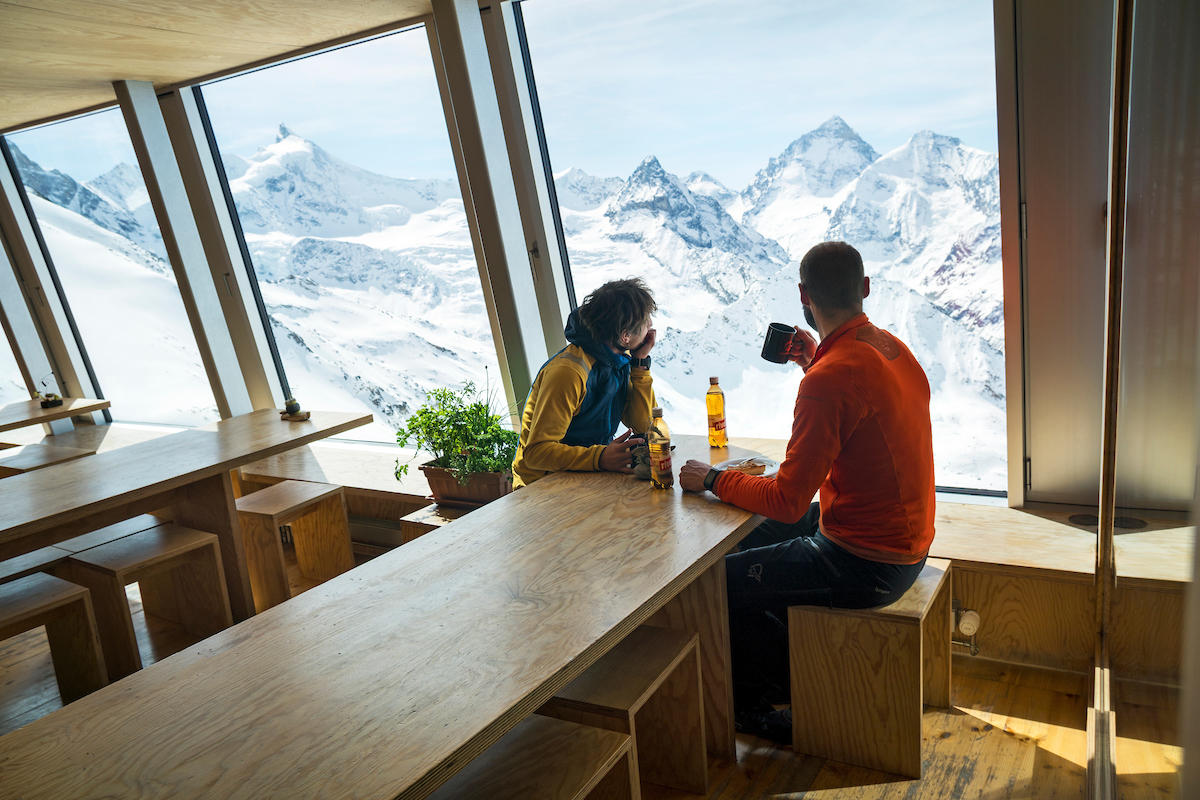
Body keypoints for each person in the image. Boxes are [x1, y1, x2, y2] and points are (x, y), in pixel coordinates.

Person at [678, 241, 935, 742]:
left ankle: (769, 700)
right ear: (864, 288)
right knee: (748, 542)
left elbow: (787, 499)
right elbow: (858, 405)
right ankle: (784, 655)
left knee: (715, 585)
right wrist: (815, 358)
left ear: (803, 295)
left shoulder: (828, 380)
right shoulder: (890, 348)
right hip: (905, 540)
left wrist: (711, 479)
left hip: (867, 563)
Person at [511, 278, 657, 488]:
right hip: (540, 487)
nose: (650, 325)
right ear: (625, 336)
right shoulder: (569, 373)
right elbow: (536, 453)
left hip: (584, 475)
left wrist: (640, 365)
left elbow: (643, 426)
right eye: (646, 321)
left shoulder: (618, 362)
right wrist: (599, 457)